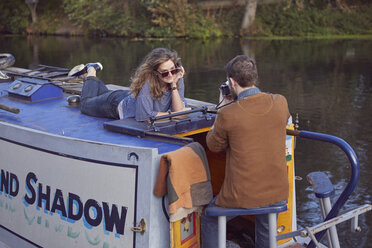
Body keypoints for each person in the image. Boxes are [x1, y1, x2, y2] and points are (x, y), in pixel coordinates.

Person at [201, 55, 290, 248]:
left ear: (231, 82)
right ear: (254, 78)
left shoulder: (228, 114)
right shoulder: (281, 102)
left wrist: (222, 107)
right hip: (278, 192)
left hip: (243, 195)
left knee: (209, 216)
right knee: (265, 216)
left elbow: (213, 146)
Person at [69, 48, 189, 121]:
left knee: (100, 95)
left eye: (173, 70)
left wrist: (174, 84)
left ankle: (87, 78)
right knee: (84, 105)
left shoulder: (176, 78)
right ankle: (91, 70)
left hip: (131, 98)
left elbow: (178, 110)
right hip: (114, 105)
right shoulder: (148, 83)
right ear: (155, 73)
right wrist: (173, 115)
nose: (170, 75)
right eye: (164, 72)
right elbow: (145, 117)